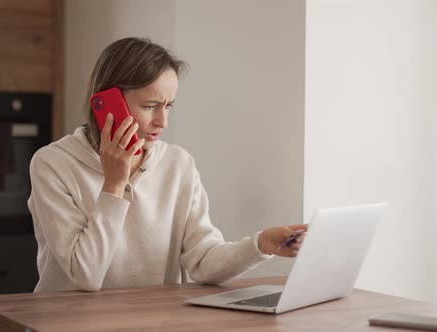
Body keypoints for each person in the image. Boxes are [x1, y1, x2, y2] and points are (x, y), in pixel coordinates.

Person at [28, 37, 308, 292]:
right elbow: (85, 275)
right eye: (150, 106)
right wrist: (114, 185)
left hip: (155, 320)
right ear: (106, 103)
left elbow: (203, 260)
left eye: (169, 106)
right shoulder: (53, 164)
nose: (163, 122)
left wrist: (260, 244)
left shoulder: (178, 164)